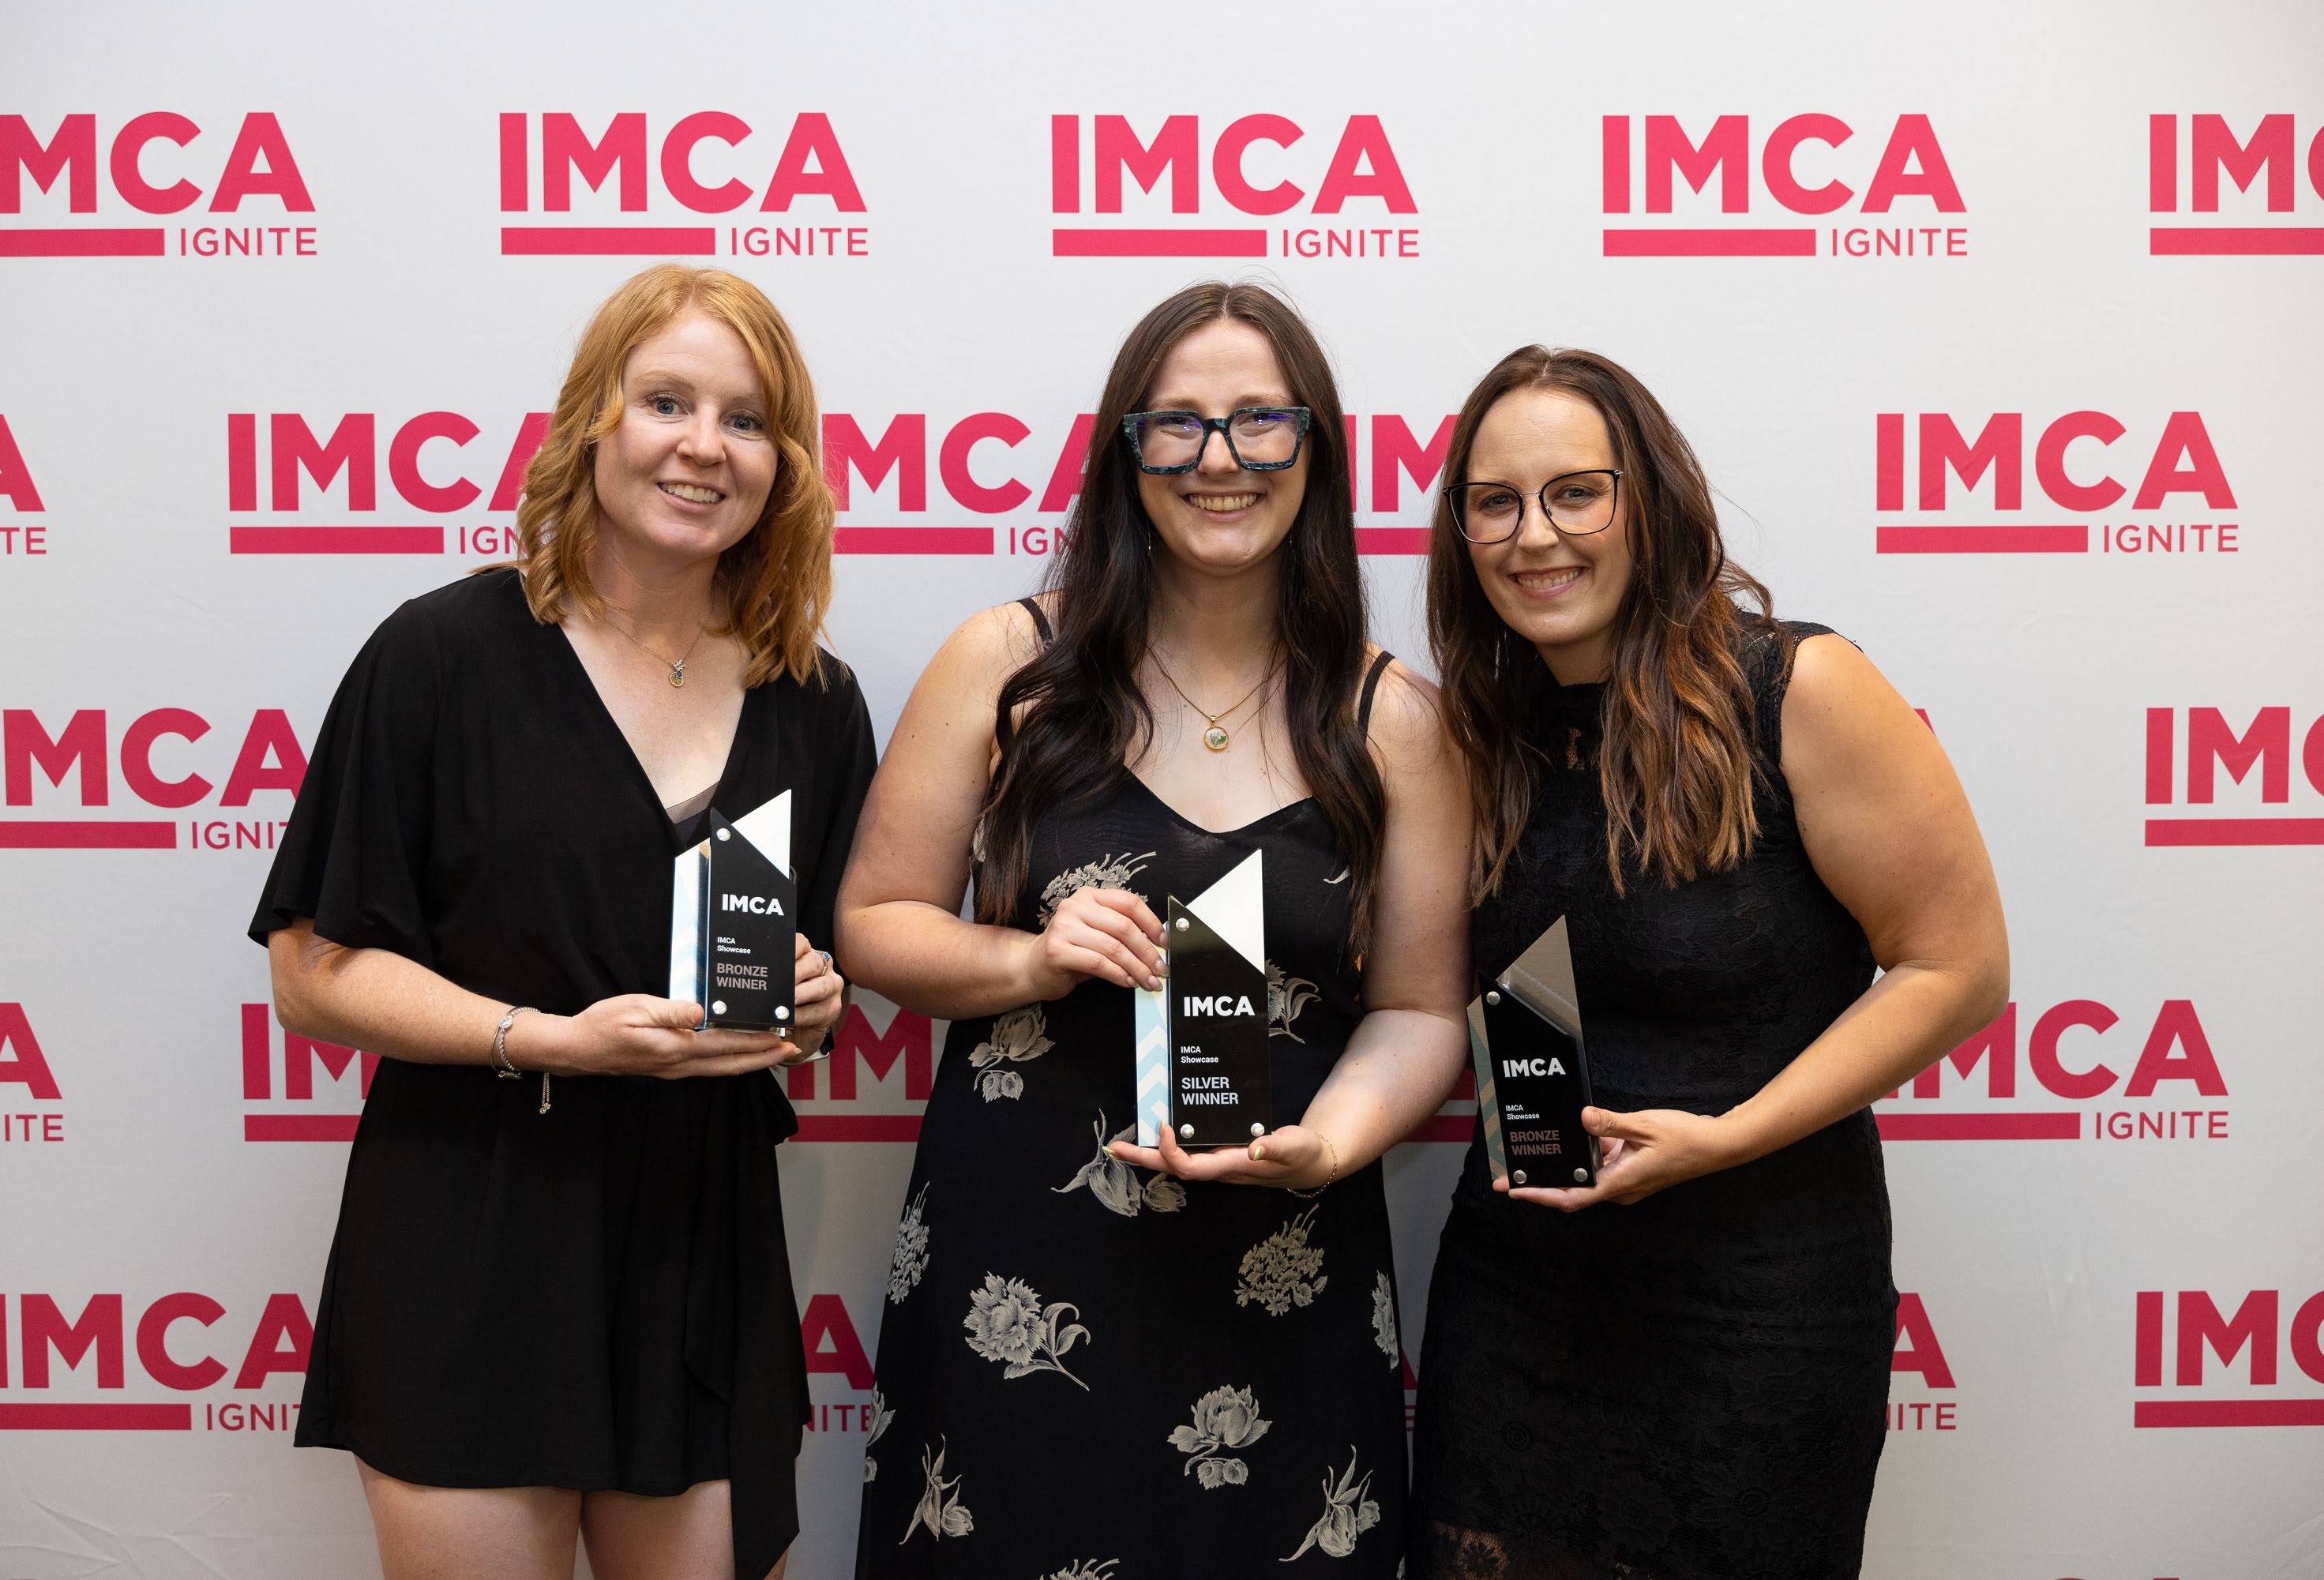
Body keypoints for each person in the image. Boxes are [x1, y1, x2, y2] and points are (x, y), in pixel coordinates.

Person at [250, 264, 877, 1580]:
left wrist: (817, 1000)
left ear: (787, 463)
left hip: (701, 1240)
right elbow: (310, 971)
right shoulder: (441, 655)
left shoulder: (814, 701)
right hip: (474, 1222)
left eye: (749, 418)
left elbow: (817, 975)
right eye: (667, 400)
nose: (705, 445)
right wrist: (550, 1037)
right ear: (595, 421)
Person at [836, 282, 1469, 1576]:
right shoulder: (1007, 666)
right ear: (1126, 454)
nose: (1219, 460)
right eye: (1175, 426)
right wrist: (1028, 955)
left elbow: (1416, 1009)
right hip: (1020, 1268)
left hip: (1282, 1263)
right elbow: (873, 926)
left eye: (1258, 423)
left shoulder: (1397, 718)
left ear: (1316, 449)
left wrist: (1332, 1141)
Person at [1406, 346, 2010, 1579]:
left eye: (1577, 491)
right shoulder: (1473, 729)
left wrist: (1725, 1136)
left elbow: (1958, 967)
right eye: (1496, 502)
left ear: (1651, 501)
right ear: (1461, 531)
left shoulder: (1798, 686)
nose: (1536, 534)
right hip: (1520, 1291)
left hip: (1759, 1302)